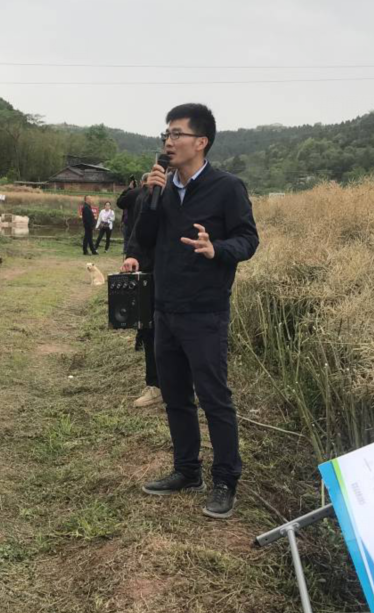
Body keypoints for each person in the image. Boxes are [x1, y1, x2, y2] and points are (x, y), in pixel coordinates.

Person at [123, 103, 259, 519]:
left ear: (201, 142)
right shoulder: (162, 187)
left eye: (177, 134)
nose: (169, 141)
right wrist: (151, 197)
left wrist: (217, 248)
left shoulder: (227, 187)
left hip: (205, 311)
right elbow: (145, 237)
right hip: (165, 308)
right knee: (176, 397)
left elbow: (248, 240)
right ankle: (186, 470)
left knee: (215, 398)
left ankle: (225, 480)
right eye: (166, 133)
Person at [119, 173, 161, 409]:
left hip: (175, 274)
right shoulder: (146, 194)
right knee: (147, 326)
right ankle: (154, 385)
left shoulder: (192, 192)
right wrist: (132, 254)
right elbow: (139, 229)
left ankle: (181, 384)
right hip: (147, 268)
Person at [117, 176, 138, 246]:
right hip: (129, 222)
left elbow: (119, 202)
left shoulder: (131, 195)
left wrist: (129, 189)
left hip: (129, 223)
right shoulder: (142, 194)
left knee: (127, 240)